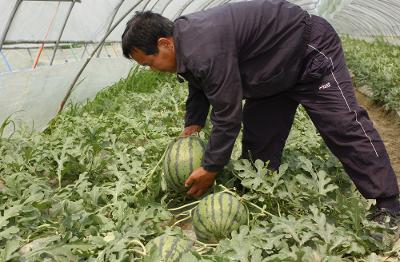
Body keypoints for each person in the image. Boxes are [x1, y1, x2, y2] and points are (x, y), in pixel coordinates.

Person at [121, 0, 400, 225]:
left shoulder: (203, 45)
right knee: (259, 142)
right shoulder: (186, 43)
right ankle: (257, 198)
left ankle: (388, 204)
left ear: (164, 43)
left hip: (308, 52)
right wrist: (193, 124)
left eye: (149, 62)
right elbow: (198, 84)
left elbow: (227, 114)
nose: (152, 69)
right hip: (271, 74)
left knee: (344, 126)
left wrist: (210, 167)